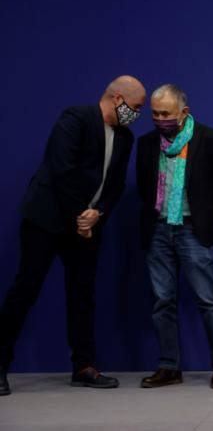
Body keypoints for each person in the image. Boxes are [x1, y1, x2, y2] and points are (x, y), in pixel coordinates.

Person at [0, 75, 146, 396]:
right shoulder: (76, 117)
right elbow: (61, 168)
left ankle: (83, 367)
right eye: (136, 107)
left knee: (83, 295)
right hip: (48, 220)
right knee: (25, 290)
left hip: (87, 225)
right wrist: (82, 213)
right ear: (118, 99)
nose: (137, 114)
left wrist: (98, 212)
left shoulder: (126, 138)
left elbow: (116, 184)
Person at [136, 84, 213, 389]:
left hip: (194, 229)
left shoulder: (210, 139)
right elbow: (143, 187)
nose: (159, 119)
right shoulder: (146, 143)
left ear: (184, 113)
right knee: (162, 301)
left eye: (166, 113)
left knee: (208, 300)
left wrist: (202, 213)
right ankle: (169, 367)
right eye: (154, 113)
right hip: (158, 230)